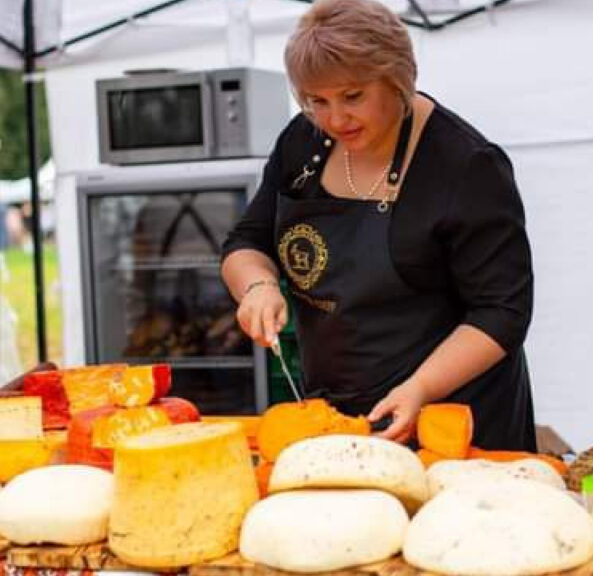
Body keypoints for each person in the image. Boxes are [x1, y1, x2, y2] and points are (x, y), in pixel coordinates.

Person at [220, 0, 536, 451]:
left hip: (450, 422)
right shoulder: (303, 141)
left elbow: (502, 312)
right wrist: (256, 286)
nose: (334, 119)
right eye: (317, 101)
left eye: (352, 97)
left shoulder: (466, 165)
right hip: (338, 414)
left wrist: (421, 387)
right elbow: (247, 241)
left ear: (398, 79)